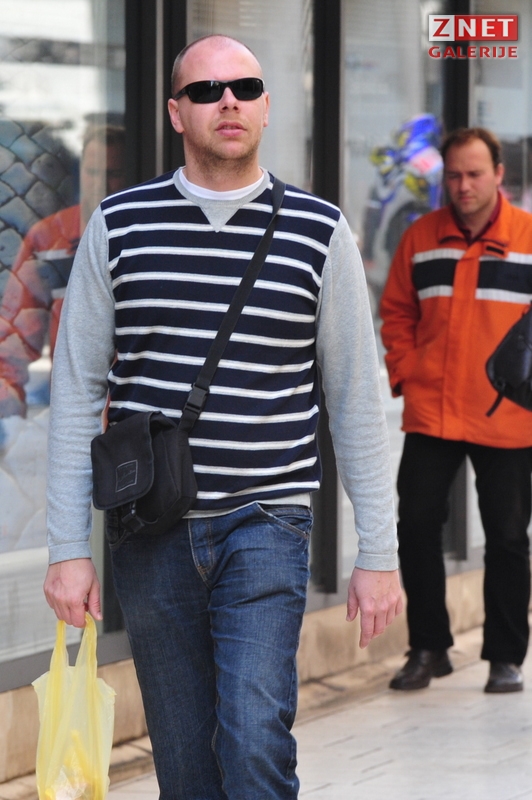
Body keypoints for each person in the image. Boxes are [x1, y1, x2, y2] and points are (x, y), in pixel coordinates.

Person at [44, 35, 402, 800]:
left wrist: (379, 551)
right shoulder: (120, 225)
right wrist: (68, 549)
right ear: (177, 113)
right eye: (205, 91)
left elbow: (356, 401)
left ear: (267, 106)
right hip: (151, 531)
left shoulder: (319, 232)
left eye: (243, 87)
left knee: (252, 733)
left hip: (268, 522)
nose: (227, 101)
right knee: (185, 766)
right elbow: (74, 393)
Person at [380, 126, 532, 695]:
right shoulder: (421, 237)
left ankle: (505, 658)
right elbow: (396, 312)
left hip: (507, 415)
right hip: (433, 410)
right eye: (454, 176)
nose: (463, 186)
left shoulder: (528, 237)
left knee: (508, 538)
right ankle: (428, 648)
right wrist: (407, 371)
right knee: (416, 526)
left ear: (499, 174)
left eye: (474, 174)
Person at [0, 124, 126, 417]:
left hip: (132, 410)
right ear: (80, 173)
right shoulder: (48, 237)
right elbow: (14, 341)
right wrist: (10, 421)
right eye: (93, 172)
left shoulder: (148, 234)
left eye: (114, 173)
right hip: (70, 405)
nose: (102, 183)